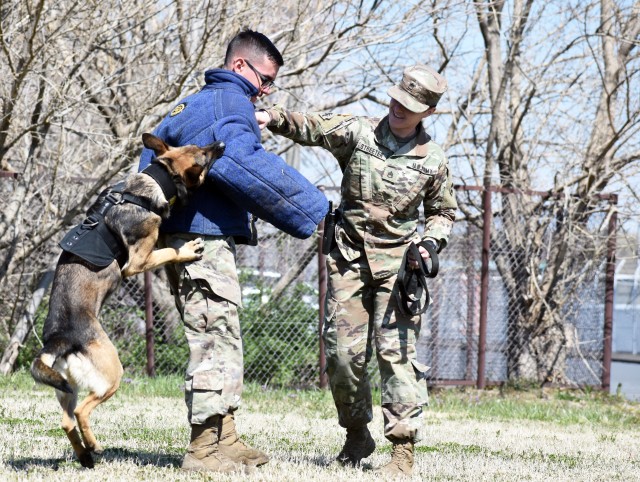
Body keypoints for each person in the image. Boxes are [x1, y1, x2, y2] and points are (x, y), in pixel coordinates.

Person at [138, 29, 328, 473]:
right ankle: (203, 450)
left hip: (190, 235)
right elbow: (244, 164)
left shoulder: (196, 101)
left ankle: (227, 438)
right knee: (212, 341)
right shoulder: (227, 104)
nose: (266, 92)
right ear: (240, 66)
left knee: (224, 336)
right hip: (199, 240)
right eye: (265, 80)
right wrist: (316, 210)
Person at [256, 64, 457, 476]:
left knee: (396, 356)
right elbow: (312, 127)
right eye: (398, 99)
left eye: (412, 105)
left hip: (398, 269)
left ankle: (402, 451)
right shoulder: (359, 132)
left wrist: (430, 241)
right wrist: (272, 117)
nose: (400, 108)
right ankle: (357, 433)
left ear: (428, 113)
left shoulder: (433, 161)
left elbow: (443, 213)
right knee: (343, 356)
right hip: (348, 260)